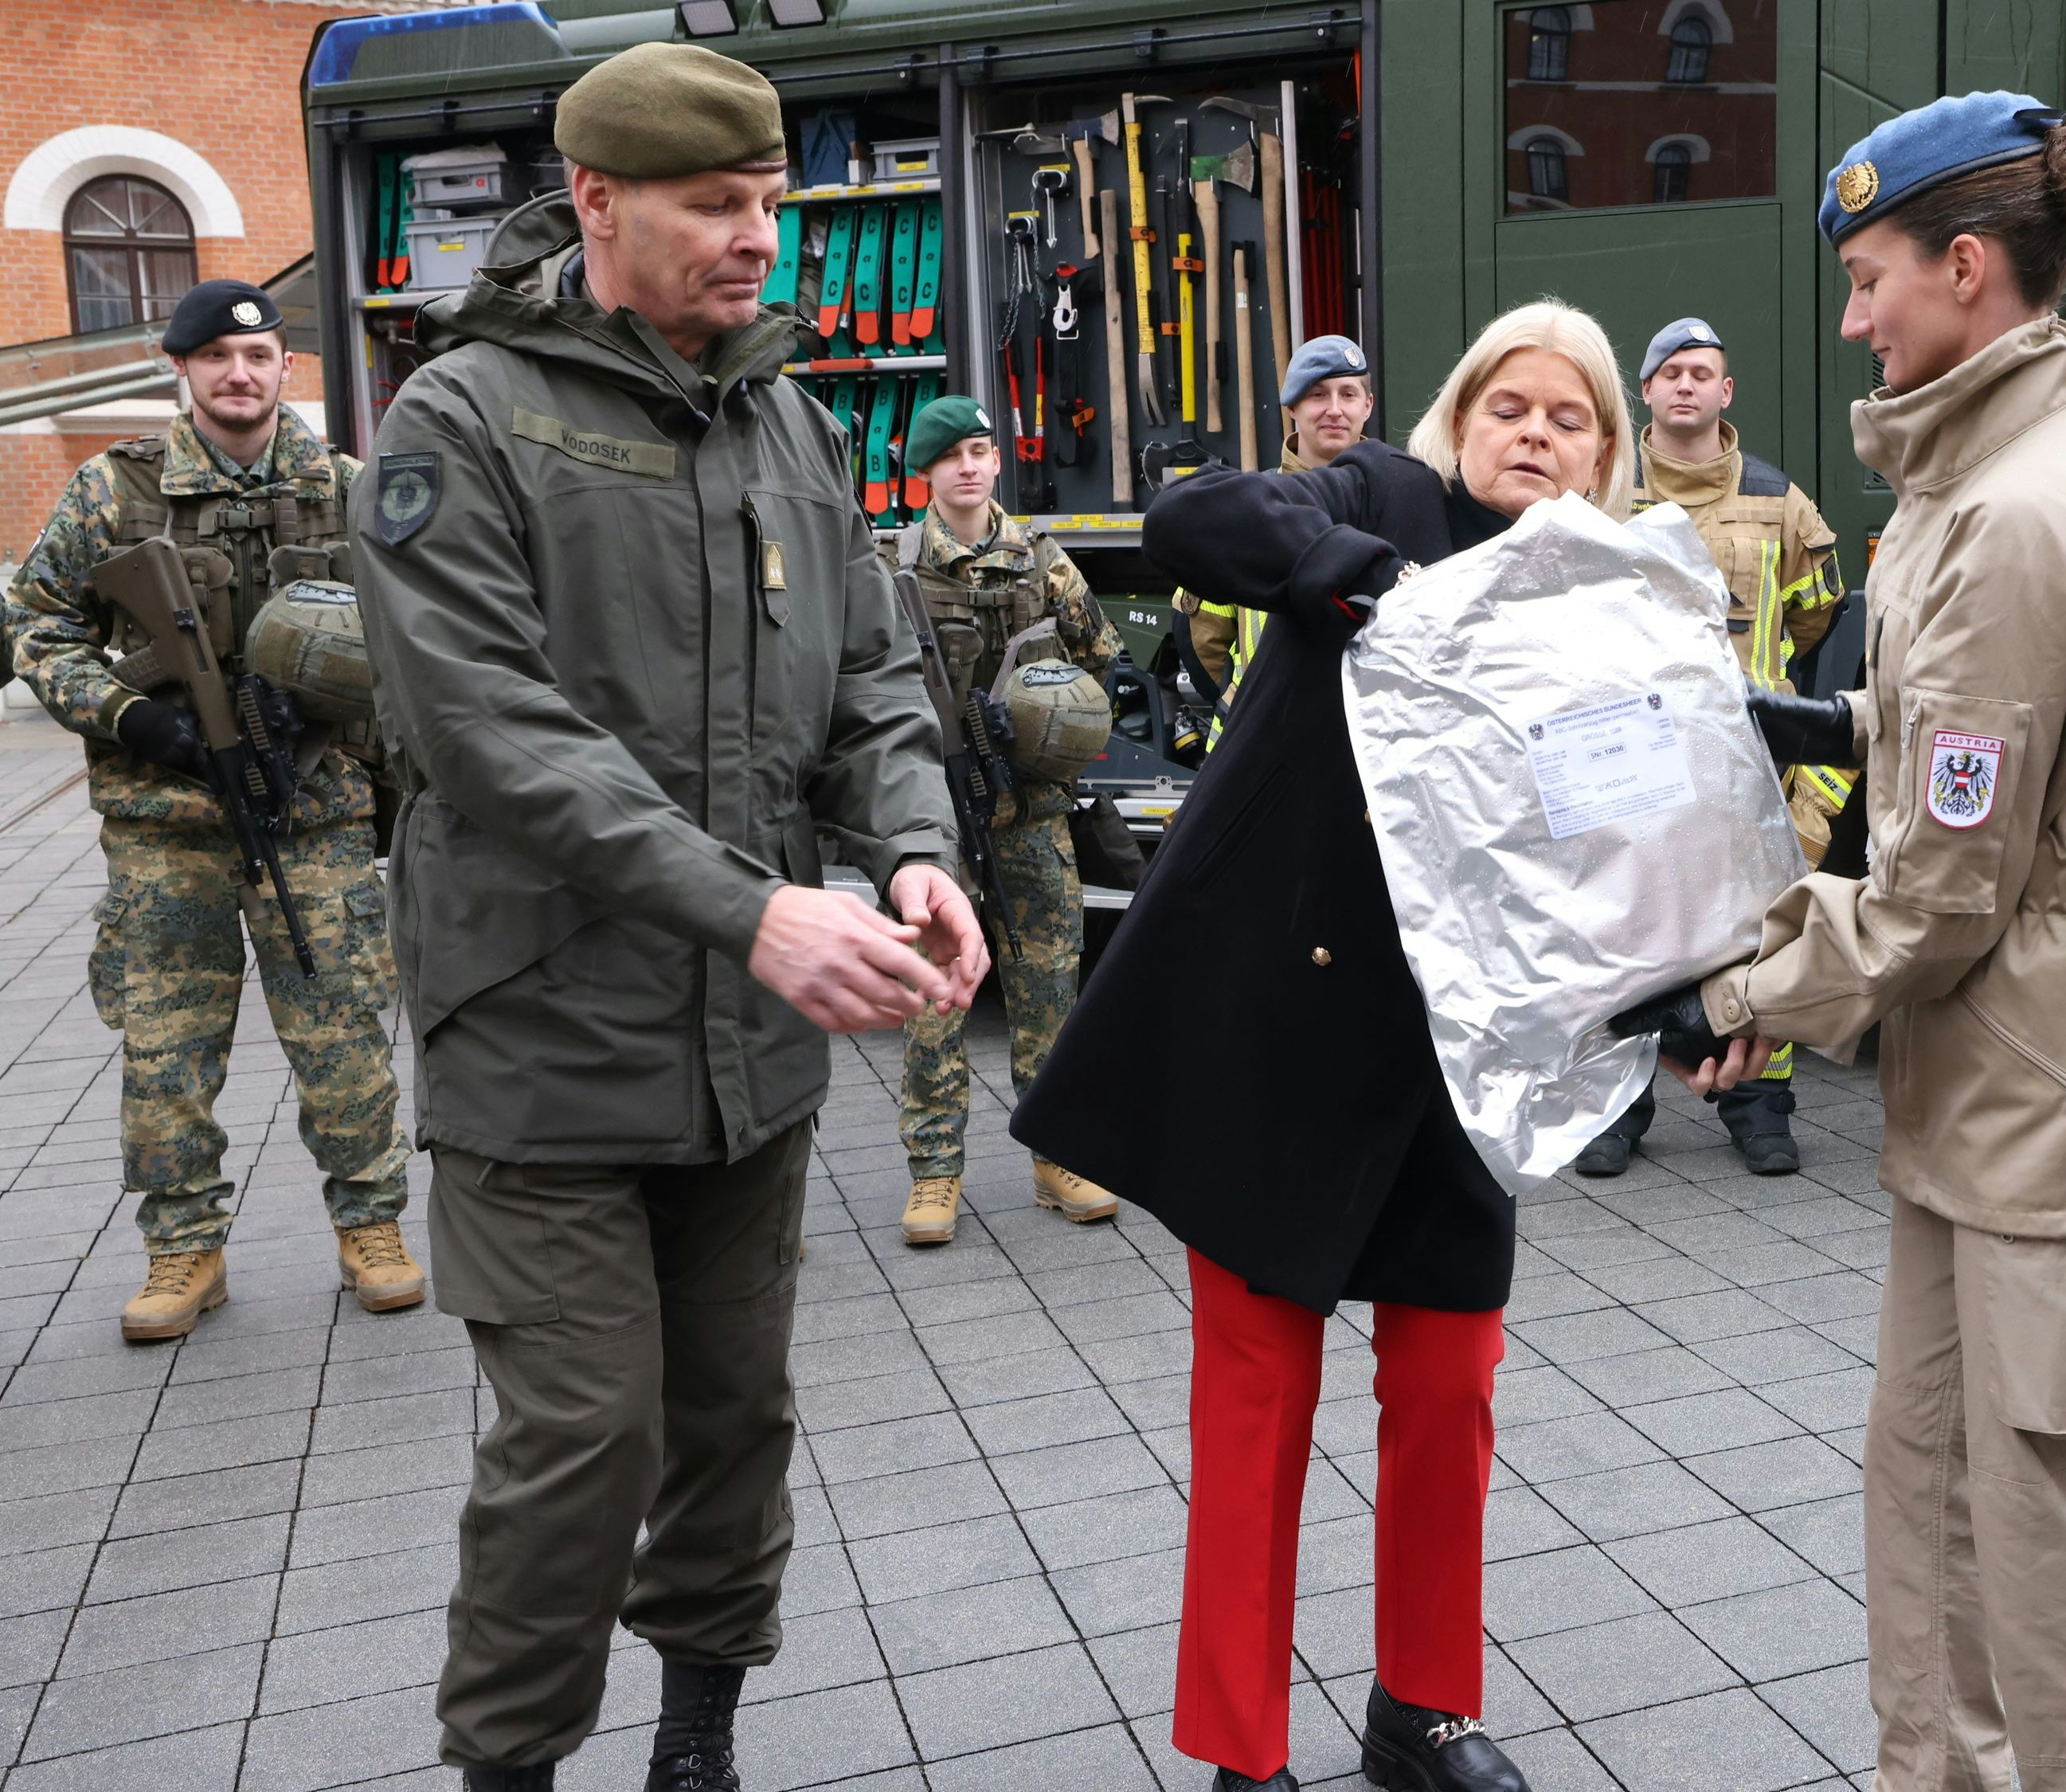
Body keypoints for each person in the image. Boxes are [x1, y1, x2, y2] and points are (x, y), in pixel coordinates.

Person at [349, 43, 981, 1792]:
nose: (760, 239)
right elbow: (486, 731)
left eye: (771, 202)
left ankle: (694, 1746)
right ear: (602, 204)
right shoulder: (460, 420)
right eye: (718, 205)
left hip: (740, 1055)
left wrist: (912, 845)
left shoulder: (780, 415)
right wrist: (756, 910)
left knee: (729, 1427)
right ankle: (512, 1771)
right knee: (578, 1447)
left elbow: (868, 672)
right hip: (542, 1032)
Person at [1617, 93, 2066, 1792]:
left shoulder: (2018, 505)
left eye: (1871, 277)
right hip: (1992, 1072)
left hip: (2048, 1067)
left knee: (2060, 1569)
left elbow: (1942, 894)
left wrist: (1732, 986)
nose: (1853, 314)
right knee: (1934, 1503)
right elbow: (1970, 741)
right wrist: (1817, 723)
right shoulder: (1977, 472)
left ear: (1966, 269)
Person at [1017, 299, 1639, 1792]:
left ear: (1605, 452)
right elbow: (1195, 521)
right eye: (1512, 406)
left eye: (1570, 418)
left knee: (1449, 1387)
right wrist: (1367, 582)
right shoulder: (1383, 496)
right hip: (1276, 1026)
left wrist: (1682, 986)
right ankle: (1243, 1747)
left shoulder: (1604, 600)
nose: (1537, 435)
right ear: (1462, 419)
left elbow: (1635, 828)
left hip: (1455, 1058)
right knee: (1256, 1400)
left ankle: (1422, 1708)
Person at [3, 276, 422, 1341]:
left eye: (261, 357)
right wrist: (136, 720)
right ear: (178, 367)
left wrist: (333, 684)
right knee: (165, 1046)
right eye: (217, 359)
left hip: (313, 811)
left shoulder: (342, 484)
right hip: (165, 827)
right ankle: (184, 1248)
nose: (242, 374)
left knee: (344, 1027)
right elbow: (35, 626)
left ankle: (371, 1226)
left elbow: (423, 616)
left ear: (286, 367)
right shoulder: (114, 491)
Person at [1571, 315, 1849, 1179]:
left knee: (1760, 938)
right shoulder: (1600, 493)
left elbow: (1814, 614)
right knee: (1632, 936)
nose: (1686, 385)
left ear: (1725, 393)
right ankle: (1621, 1104)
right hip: (1637, 762)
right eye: (1670, 373)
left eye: (1703, 373)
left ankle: (1758, 1103)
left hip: (1744, 767)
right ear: (1644, 393)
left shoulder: (1780, 500)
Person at [888, 394, 1122, 1244]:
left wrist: (1046, 723)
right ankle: (934, 1174)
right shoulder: (895, 568)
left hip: (1028, 812)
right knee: (933, 996)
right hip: (933, 820)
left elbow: (1098, 658)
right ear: (925, 471)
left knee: (1050, 988)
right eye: (951, 455)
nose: (970, 465)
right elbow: (861, 684)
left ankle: (1058, 1155)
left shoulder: (1043, 563)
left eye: (982, 449)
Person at [1175, 334, 1375, 741]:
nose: (1335, 410)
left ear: (1367, 406)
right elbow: (1201, 636)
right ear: (1292, 407)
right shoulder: (1251, 510)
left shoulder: (1399, 501)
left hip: (1364, 743)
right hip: (1256, 739)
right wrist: (1248, 694)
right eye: (1318, 395)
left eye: (1348, 394)